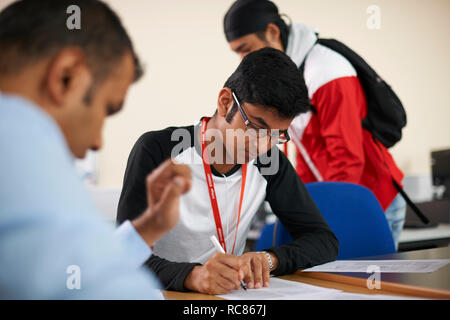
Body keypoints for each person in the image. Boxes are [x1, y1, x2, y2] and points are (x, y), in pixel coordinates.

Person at [0, 0, 191, 299]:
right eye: (106, 109)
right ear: (67, 76)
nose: (97, 143)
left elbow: (72, 270)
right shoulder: (17, 142)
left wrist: (149, 227)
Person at [117, 47, 339, 295]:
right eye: (256, 127)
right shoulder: (159, 151)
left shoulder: (268, 161)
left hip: (229, 295)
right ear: (225, 103)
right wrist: (193, 276)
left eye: (277, 135)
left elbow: (323, 240)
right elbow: (125, 255)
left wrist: (268, 259)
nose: (262, 145)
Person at [223, 0, 406, 249]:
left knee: (367, 287)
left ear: (273, 32)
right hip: (340, 194)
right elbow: (307, 154)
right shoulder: (289, 76)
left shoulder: (327, 71)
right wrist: (303, 208)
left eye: (245, 49)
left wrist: (324, 219)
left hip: (370, 200)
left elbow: (347, 157)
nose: (244, 60)